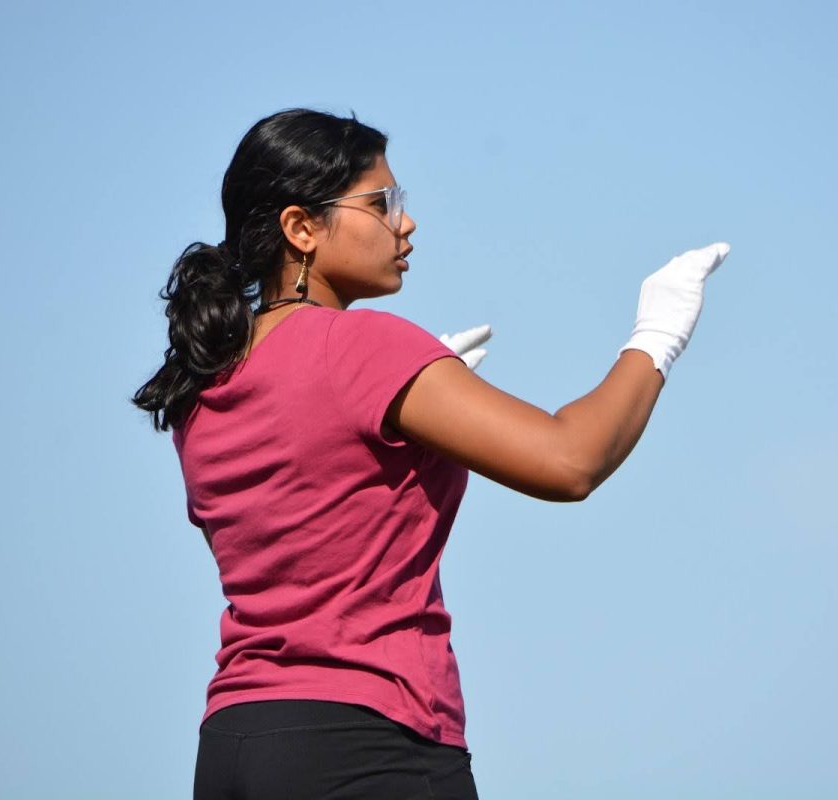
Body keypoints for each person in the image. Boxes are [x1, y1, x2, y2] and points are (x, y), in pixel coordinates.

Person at [130, 107, 729, 800]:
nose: (404, 223)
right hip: (368, 741)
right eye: (381, 204)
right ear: (301, 228)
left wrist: (411, 400)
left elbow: (310, 509)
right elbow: (572, 460)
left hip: (235, 743)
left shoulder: (205, 384)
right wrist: (658, 334)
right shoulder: (363, 346)